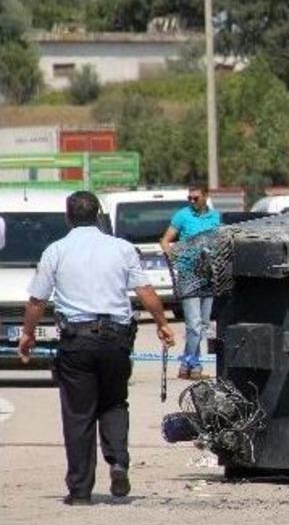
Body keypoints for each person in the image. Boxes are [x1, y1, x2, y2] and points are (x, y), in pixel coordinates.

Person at [18, 191, 175, 506]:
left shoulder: (56, 251)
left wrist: (28, 334)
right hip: (116, 338)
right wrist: (162, 322)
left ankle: (79, 491)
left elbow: (37, 301)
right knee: (115, 403)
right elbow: (144, 290)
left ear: (68, 216)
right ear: (99, 215)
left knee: (79, 413)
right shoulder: (121, 248)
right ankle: (118, 462)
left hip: (77, 340)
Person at [159, 184, 220, 380]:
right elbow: (165, 240)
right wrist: (174, 258)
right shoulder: (182, 215)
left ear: (205, 196)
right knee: (193, 324)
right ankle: (194, 365)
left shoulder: (215, 217)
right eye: (190, 198)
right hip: (188, 275)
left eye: (196, 198)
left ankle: (187, 365)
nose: (192, 201)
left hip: (208, 275)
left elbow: (219, 241)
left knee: (202, 324)